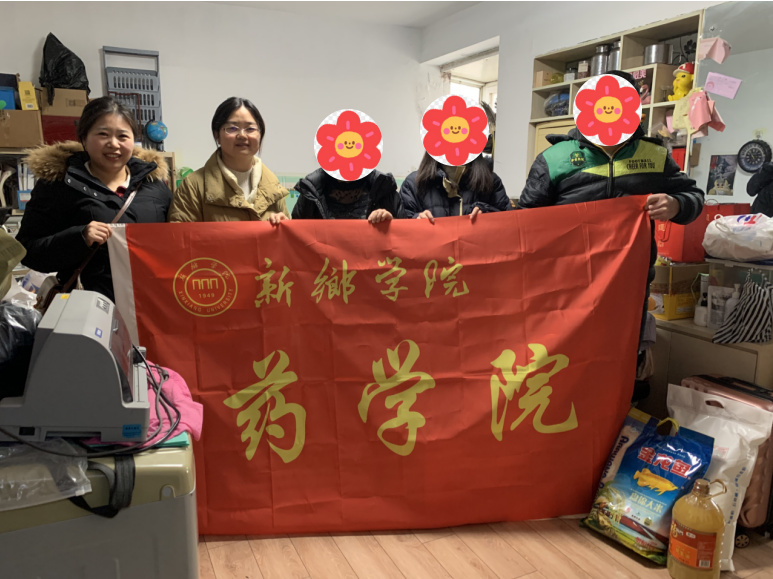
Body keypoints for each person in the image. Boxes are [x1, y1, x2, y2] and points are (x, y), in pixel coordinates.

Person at [517, 70, 705, 400]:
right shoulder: (555, 158)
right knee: (563, 370)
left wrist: (676, 204)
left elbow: (694, 196)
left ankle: (616, 426)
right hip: (565, 288)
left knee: (619, 369)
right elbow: (524, 221)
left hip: (627, 287)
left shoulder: (654, 156)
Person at [17, 97, 172, 303]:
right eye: (103, 134)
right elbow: (28, 252)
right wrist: (80, 237)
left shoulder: (154, 185)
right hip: (87, 306)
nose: (113, 144)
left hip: (151, 304)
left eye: (123, 136)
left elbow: (175, 243)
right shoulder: (59, 185)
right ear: (84, 138)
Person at [169, 97, 290, 223]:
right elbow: (181, 235)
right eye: (232, 128)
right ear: (217, 135)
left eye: (250, 129)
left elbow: (288, 234)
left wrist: (284, 226)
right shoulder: (193, 186)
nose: (242, 135)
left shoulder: (273, 186)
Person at [400, 153, 510, 222]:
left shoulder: (491, 181)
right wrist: (416, 221)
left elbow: (509, 226)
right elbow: (400, 234)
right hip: (431, 253)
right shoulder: (413, 184)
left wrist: (488, 214)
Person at [292, 168, 406, 223]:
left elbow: (406, 240)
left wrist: (392, 224)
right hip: (324, 263)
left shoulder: (384, 187)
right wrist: (283, 225)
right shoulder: (311, 190)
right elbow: (295, 241)